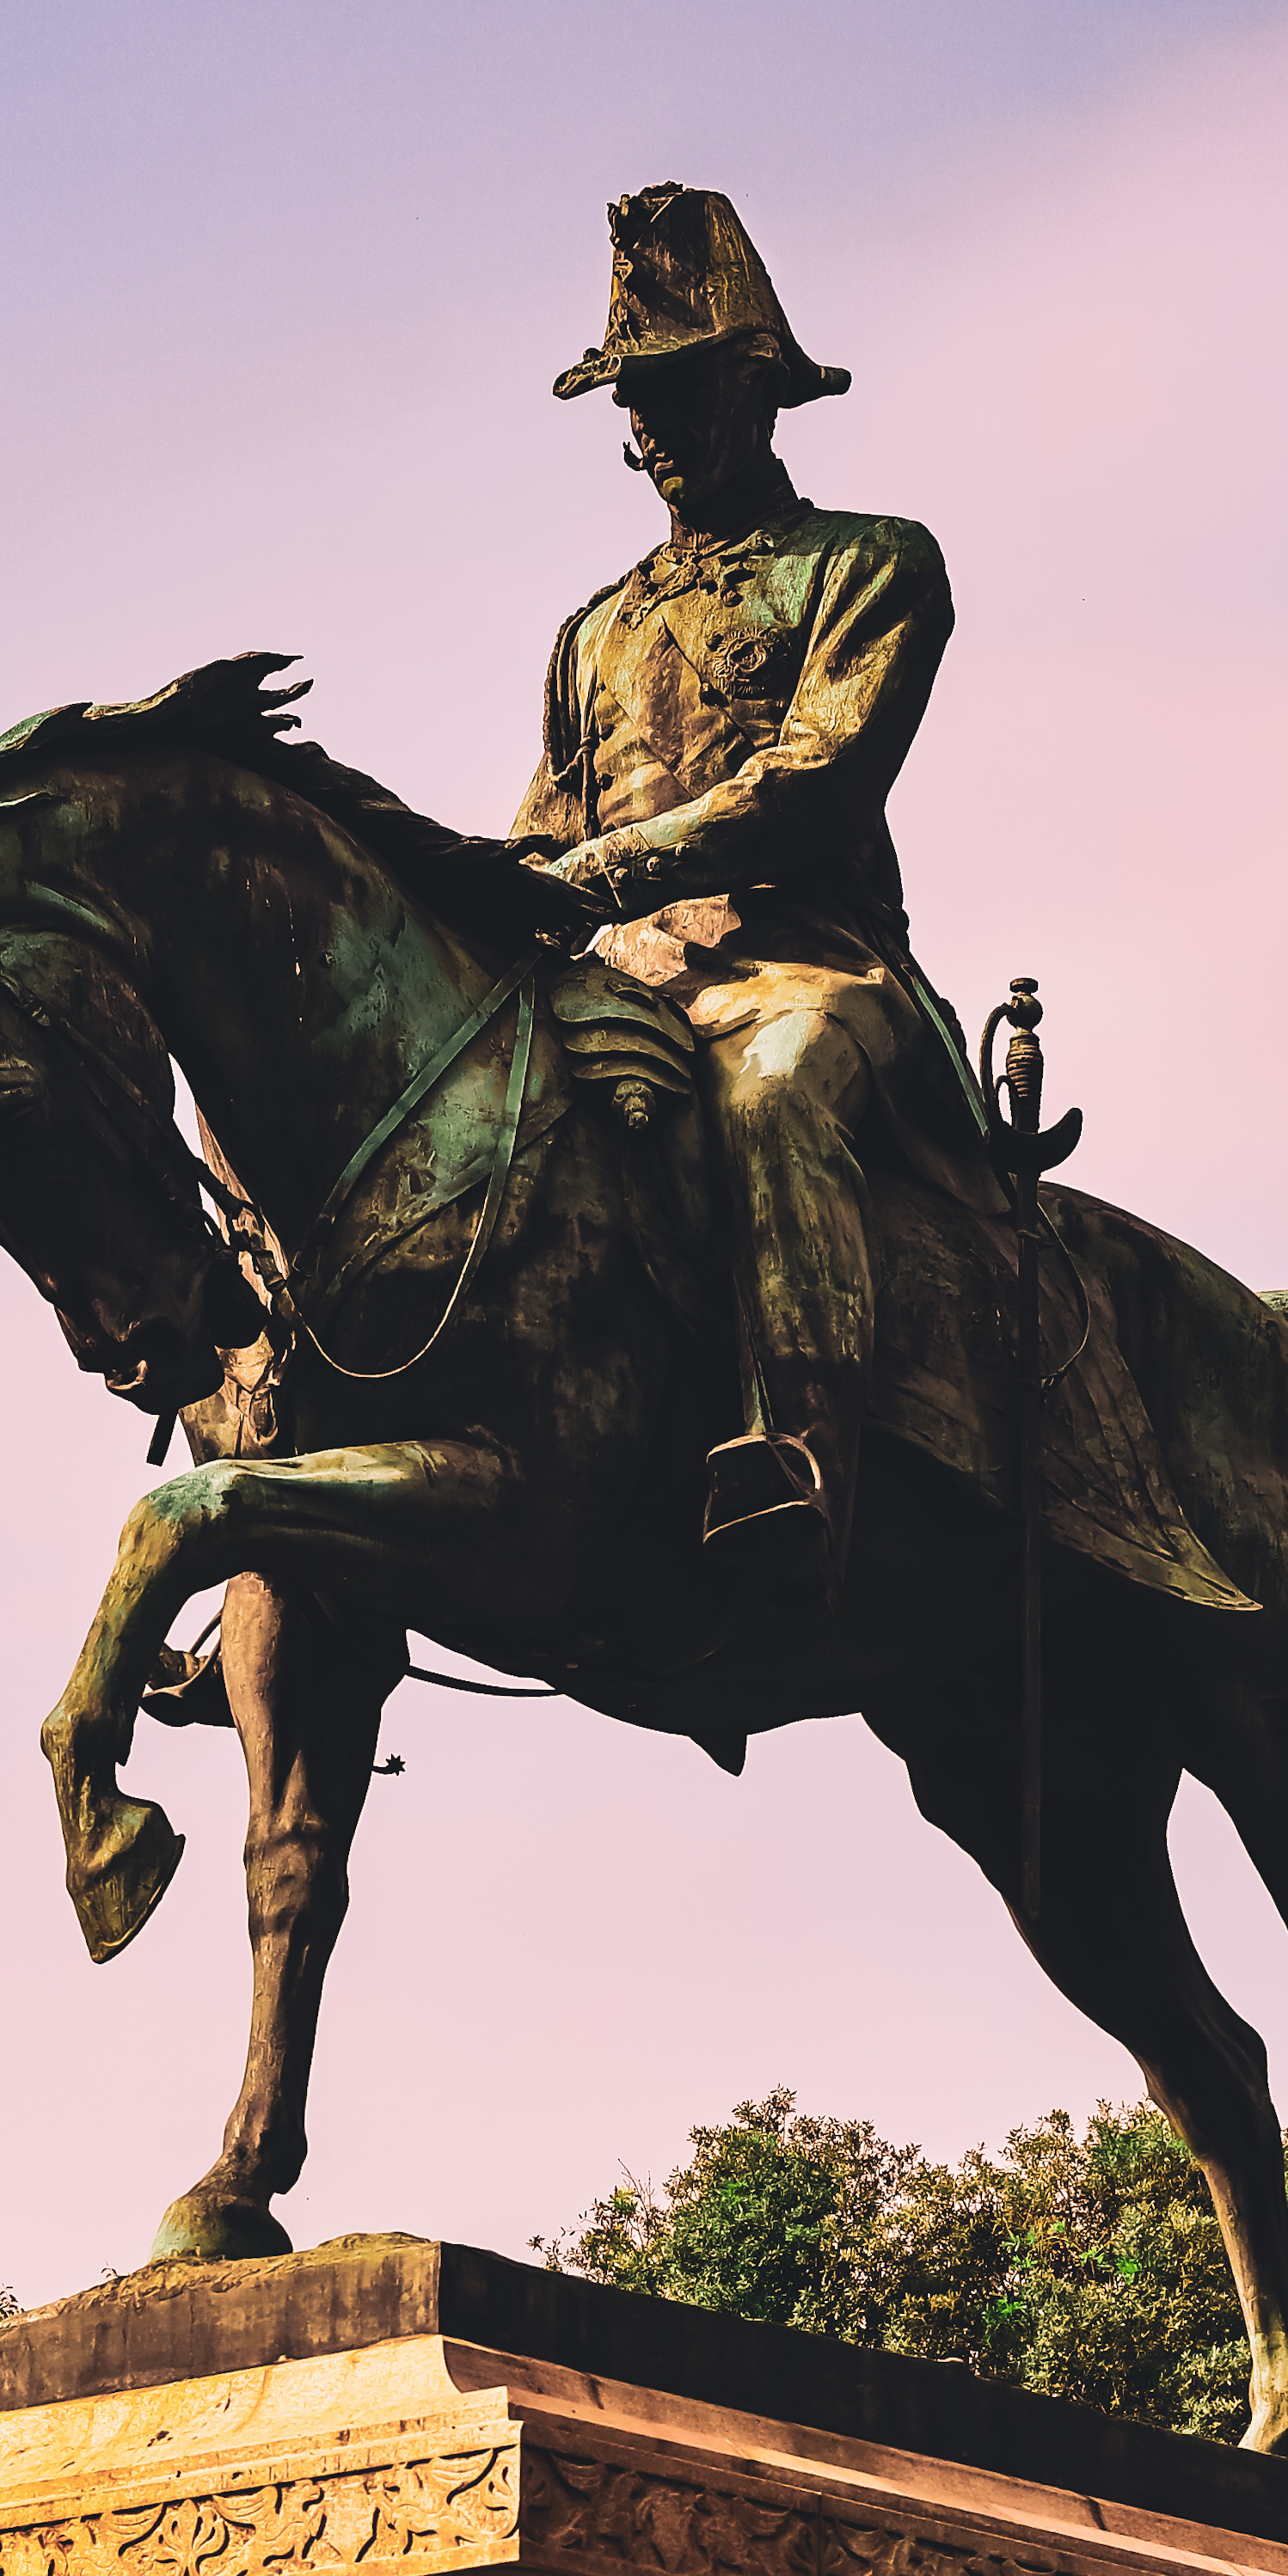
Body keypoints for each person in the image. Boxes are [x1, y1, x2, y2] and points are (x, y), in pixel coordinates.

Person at [512, 181, 983, 1607]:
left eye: (675, 387)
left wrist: (602, 872)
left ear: (757, 380)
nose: (647, 427)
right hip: (623, 981)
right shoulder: (591, 630)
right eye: (628, 400)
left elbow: (815, 779)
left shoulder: (872, 565)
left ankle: (801, 1454)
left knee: (772, 1093)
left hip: (804, 968)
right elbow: (545, 825)